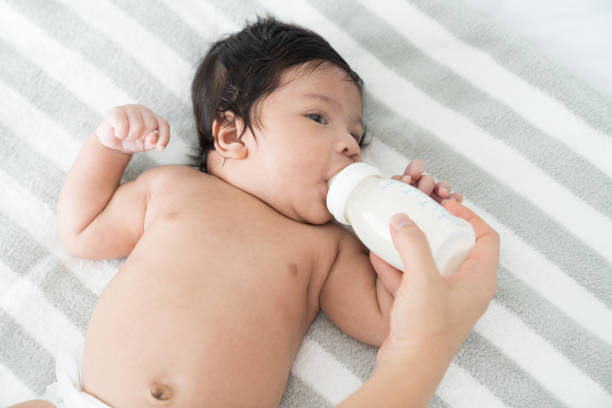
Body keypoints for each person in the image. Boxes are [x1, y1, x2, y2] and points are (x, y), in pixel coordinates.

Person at [11, 16, 498, 408]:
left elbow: (387, 321)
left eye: (356, 134)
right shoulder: (173, 190)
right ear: (229, 136)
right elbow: (81, 227)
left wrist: (402, 231)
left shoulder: (326, 245)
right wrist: (109, 146)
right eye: (318, 117)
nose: (349, 144)